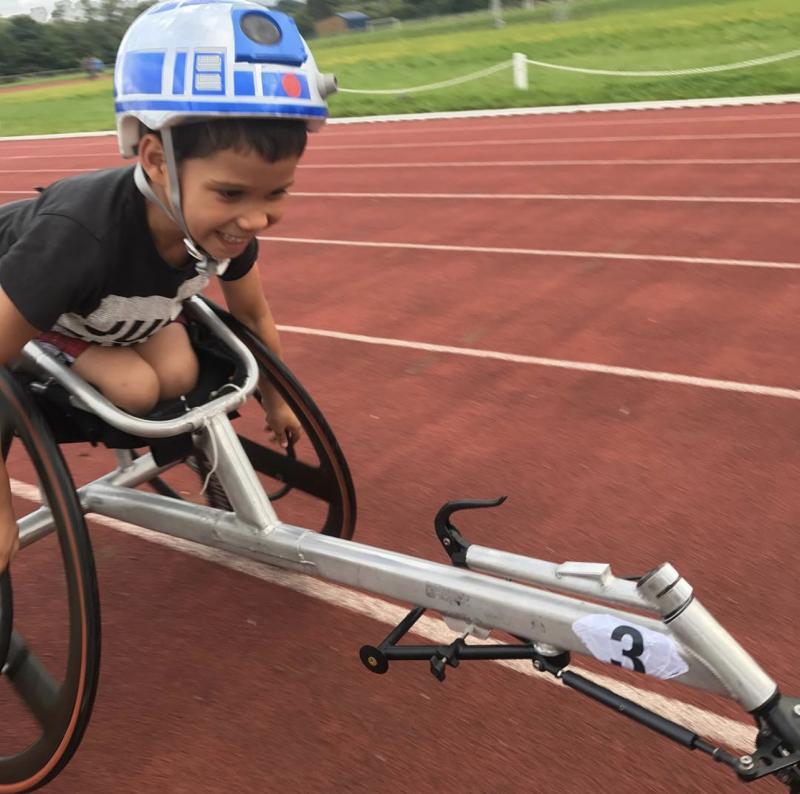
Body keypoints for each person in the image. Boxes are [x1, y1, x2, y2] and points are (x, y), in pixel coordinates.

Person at [0, 0, 337, 572]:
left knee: (179, 376)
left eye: (276, 193)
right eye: (231, 194)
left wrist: (278, 401)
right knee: (134, 389)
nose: (254, 221)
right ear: (155, 158)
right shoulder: (78, 237)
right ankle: (48, 344)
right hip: (28, 297)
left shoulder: (223, 229)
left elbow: (253, 318)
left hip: (106, 306)